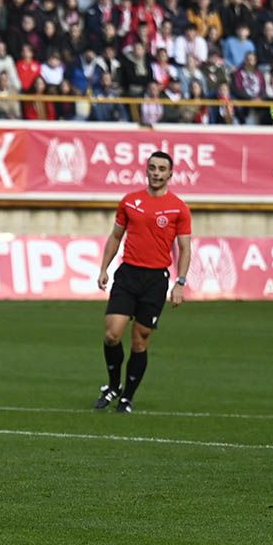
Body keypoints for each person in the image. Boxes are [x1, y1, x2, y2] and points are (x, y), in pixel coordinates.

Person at [94, 151, 192, 414]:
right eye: (152, 168)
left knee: (140, 341)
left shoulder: (178, 207)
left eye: (162, 169)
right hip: (127, 275)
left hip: (155, 279)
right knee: (112, 333)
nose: (156, 173)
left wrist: (180, 282)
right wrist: (104, 268)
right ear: (146, 171)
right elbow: (115, 237)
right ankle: (113, 384)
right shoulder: (130, 201)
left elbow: (185, 248)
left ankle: (127, 397)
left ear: (170, 174)